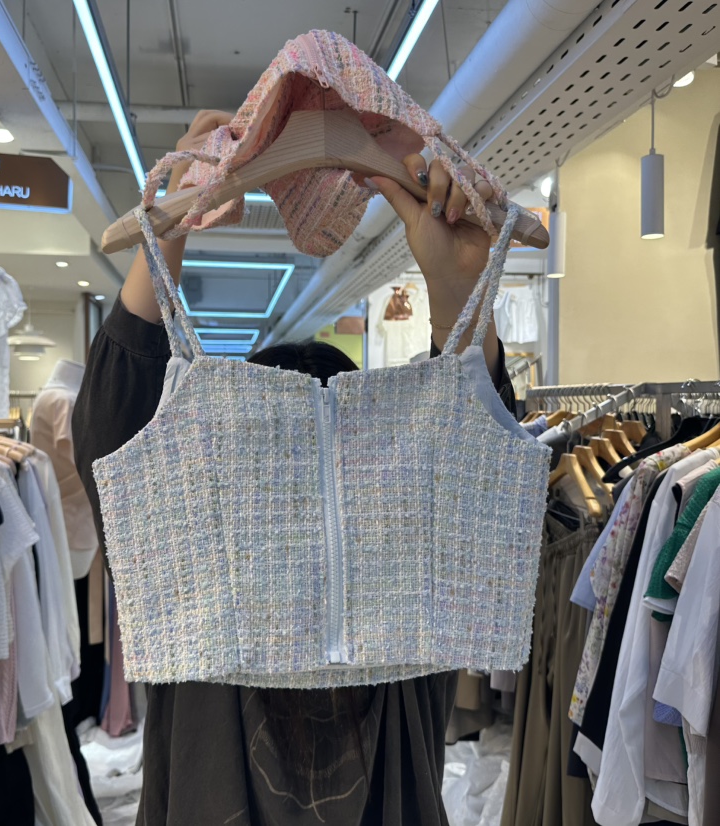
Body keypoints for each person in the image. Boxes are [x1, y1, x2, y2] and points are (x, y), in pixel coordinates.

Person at [73, 110, 516, 825]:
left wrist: (460, 289)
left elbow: (472, 461)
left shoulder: (412, 578)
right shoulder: (194, 573)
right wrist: (169, 228)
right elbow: (115, 445)